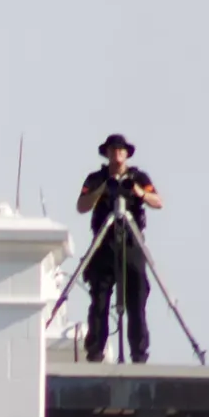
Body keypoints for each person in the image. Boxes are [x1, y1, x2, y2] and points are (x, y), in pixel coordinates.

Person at [75, 134, 162, 364]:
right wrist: (104, 188)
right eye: (112, 150)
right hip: (104, 244)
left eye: (120, 150)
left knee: (137, 299)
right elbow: (81, 206)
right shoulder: (96, 178)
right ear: (106, 153)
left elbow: (158, 201)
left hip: (131, 244)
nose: (116, 154)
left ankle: (139, 354)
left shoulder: (138, 177)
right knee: (100, 300)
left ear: (127, 154)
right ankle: (95, 352)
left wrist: (138, 192)